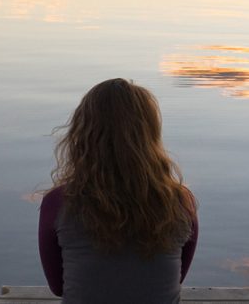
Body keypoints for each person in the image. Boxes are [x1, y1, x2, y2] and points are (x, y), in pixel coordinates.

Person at [39, 78, 199, 303]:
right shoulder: (181, 202)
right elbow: (173, 278)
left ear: (83, 134)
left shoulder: (58, 202)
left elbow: (58, 286)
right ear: (150, 135)